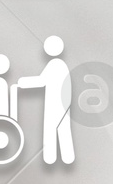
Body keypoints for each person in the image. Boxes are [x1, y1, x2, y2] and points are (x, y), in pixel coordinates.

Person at [12, 35, 73, 165]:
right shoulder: (62, 65)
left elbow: (41, 81)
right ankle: (67, 157)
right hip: (64, 104)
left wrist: (22, 82)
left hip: (55, 104)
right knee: (63, 130)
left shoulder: (54, 65)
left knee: (50, 130)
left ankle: (50, 158)